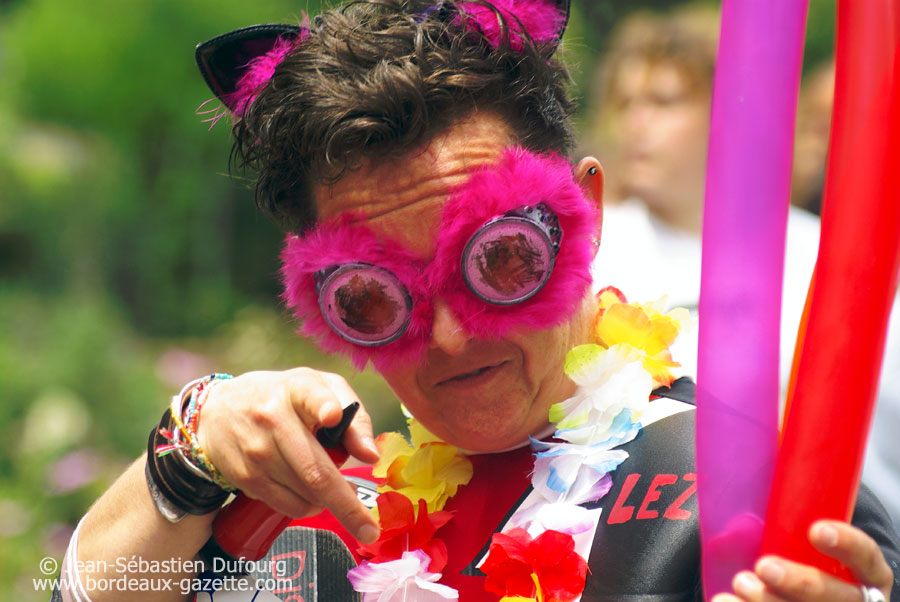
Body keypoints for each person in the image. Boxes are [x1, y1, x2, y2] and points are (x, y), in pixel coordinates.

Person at [53, 2, 899, 602]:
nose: (452, 337)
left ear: (585, 214)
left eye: (499, 260)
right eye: (374, 298)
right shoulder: (317, 504)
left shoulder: (748, 496)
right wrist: (188, 451)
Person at [585, 6, 821, 384]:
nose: (635, 123)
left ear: (728, 112)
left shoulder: (815, 252)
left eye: (663, 101)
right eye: (625, 103)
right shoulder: (590, 250)